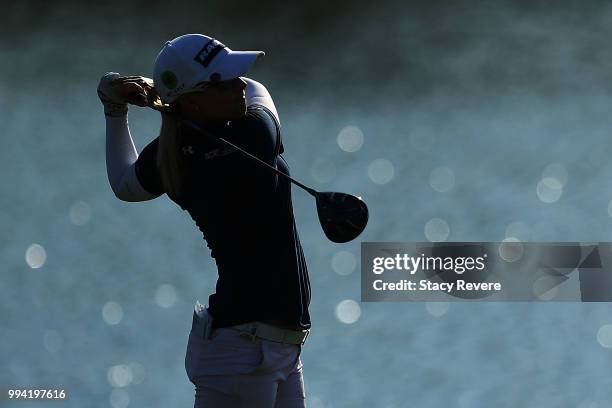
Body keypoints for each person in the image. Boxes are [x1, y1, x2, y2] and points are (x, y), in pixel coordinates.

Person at [98, 33, 311, 408]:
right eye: (223, 82)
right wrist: (157, 93)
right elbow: (262, 90)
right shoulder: (252, 135)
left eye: (234, 76)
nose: (239, 85)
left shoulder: (174, 152)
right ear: (194, 103)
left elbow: (125, 183)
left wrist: (116, 109)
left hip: (267, 347)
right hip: (244, 352)